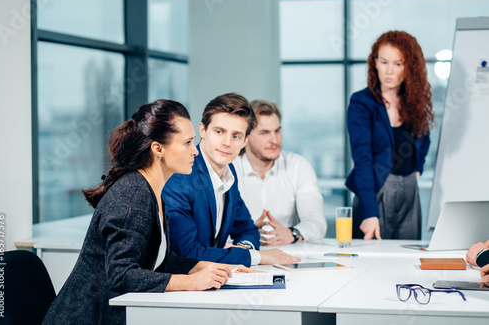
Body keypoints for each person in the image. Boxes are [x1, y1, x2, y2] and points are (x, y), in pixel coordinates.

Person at [43, 100, 253, 325]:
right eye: (188, 143)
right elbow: (121, 275)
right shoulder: (134, 193)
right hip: (89, 319)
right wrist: (192, 282)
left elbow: (162, 259)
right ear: (158, 149)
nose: (195, 150)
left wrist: (216, 269)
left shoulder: (153, 190)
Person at [163, 93, 300, 266]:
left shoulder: (229, 172)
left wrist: (243, 248)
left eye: (236, 136)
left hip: (214, 280)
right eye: (219, 132)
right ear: (203, 130)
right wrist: (256, 257)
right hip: (179, 286)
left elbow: (247, 229)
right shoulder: (181, 175)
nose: (227, 143)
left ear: (245, 140)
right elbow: (186, 252)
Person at [346, 31, 434, 240]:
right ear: (374, 62)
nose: (389, 71)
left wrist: (417, 169)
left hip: (410, 190)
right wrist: (369, 212)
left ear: (409, 67)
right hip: (376, 188)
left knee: (407, 256)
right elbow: (362, 160)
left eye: (398, 64)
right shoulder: (361, 102)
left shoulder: (414, 100)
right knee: (372, 260)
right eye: (384, 62)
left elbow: (424, 138)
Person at [233, 100, 327, 246]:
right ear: (247, 137)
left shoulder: (298, 166)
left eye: (277, 131)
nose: (274, 140)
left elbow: (317, 222)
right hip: (242, 255)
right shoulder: (230, 170)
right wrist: (244, 231)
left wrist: (293, 233)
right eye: (264, 133)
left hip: (288, 255)